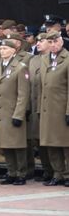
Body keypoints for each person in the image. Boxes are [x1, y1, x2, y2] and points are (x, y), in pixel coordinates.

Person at [0, 39, 30, 185]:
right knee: (5, 144)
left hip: (13, 112)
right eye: (1, 49)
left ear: (13, 50)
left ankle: (21, 173)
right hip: (0, 113)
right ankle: (11, 172)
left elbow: (23, 94)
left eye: (5, 49)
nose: (2, 51)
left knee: (17, 145)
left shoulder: (20, 68)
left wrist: (19, 114)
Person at [38, 31, 69, 187]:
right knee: (51, 144)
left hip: (61, 108)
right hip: (47, 109)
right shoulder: (44, 59)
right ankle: (58, 174)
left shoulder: (67, 59)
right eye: (50, 42)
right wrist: (39, 109)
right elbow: (41, 87)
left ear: (61, 41)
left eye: (55, 41)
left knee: (66, 144)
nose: (53, 45)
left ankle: (68, 174)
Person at [28, 33, 53, 182]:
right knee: (38, 140)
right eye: (37, 41)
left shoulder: (55, 59)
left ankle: (59, 171)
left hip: (50, 106)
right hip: (34, 106)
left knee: (52, 140)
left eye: (41, 41)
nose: (38, 43)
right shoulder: (33, 60)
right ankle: (47, 170)